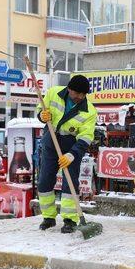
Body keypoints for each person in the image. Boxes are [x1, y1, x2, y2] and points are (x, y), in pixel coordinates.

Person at [37, 75, 97, 233]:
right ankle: (48, 217)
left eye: (83, 95)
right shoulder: (53, 93)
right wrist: (42, 116)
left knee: (69, 181)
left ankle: (69, 220)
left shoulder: (89, 111)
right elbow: (40, 109)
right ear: (69, 89)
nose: (79, 97)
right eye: (76, 93)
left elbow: (86, 137)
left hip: (71, 145)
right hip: (51, 140)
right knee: (44, 180)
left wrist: (72, 155)